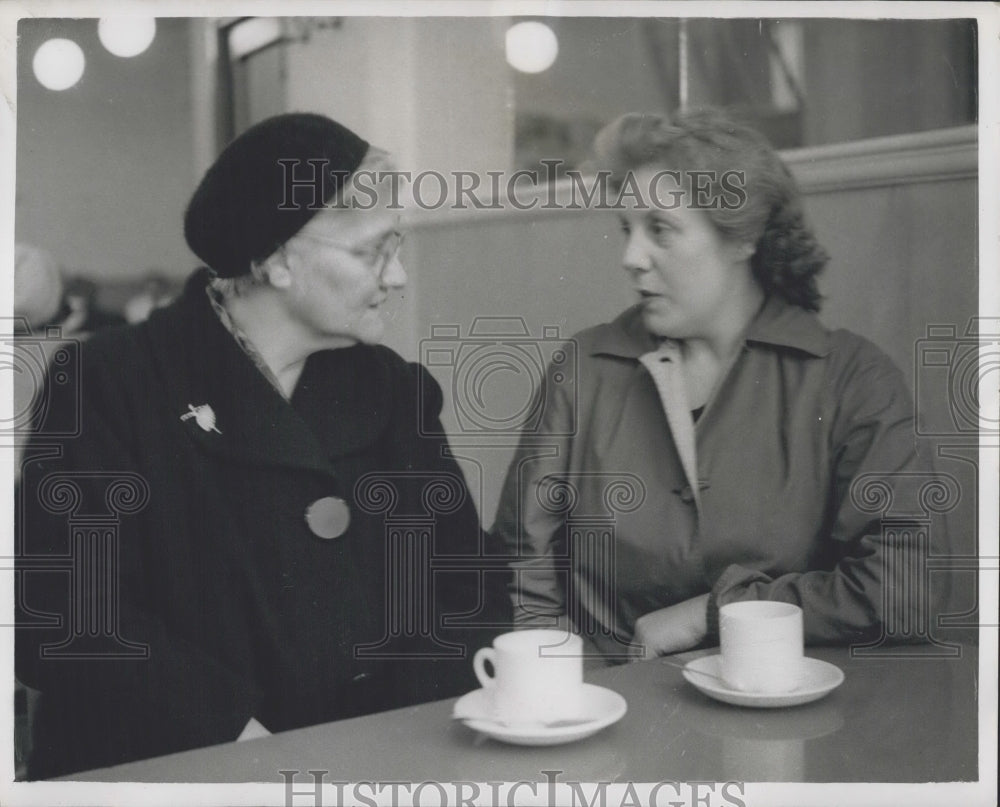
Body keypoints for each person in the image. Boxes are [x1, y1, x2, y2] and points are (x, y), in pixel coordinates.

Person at [16, 113, 510, 779]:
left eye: (395, 245)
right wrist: (241, 740)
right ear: (277, 260)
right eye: (371, 251)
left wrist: (389, 747)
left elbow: (469, 590)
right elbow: (61, 613)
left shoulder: (394, 391)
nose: (396, 276)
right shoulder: (108, 383)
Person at [492, 108, 945, 663]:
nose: (630, 258)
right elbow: (522, 577)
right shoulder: (583, 370)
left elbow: (903, 593)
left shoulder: (855, 379)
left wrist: (716, 612)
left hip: (790, 705)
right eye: (627, 230)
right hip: (611, 701)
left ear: (743, 239)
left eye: (660, 229)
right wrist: (572, 686)